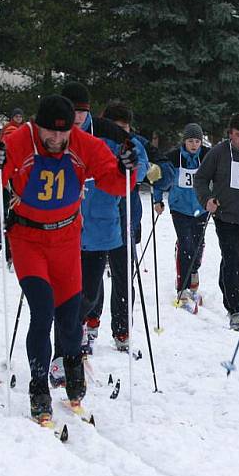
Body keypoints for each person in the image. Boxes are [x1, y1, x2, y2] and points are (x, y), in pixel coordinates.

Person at [0, 95, 138, 422]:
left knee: (69, 317)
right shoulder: (20, 140)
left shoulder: (83, 143)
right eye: (50, 133)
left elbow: (114, 182)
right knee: (43, 308)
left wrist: (125, 168)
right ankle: (38, 385)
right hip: (28, 238)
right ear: (38, 126)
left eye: (62, 135)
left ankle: (73, 365)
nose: (57, 140)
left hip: (66, 240)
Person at [54, 83, 147, 369]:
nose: (78, 118)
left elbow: (140, 161)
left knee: (90, 293)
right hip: (64, 224)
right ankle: (66, 343)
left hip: (101, 222)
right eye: (73, 112)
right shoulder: (54, 132)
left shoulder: (109, 132)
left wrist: (130, 167)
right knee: (67, 289)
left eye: (82, 112)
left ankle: (80, 326)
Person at [193, 113, 239, 329]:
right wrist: (206, 199)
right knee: (232, 262)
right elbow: (200, 178)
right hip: (227, 218)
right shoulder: (219, 153)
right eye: (238, 135)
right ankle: (234, 308)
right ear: (230, 135)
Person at [153, 123, 211, 312]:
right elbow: (159, 178)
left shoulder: (206, 156)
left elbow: (219, 175)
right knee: (186, 245)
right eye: (190, 141)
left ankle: (193, 273)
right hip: (180, 208)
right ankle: (182, 288)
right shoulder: (173, 157)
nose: (194, 145)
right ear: (184, 141)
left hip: (201, 208)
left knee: (198, 244)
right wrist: (157, 200)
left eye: (197, 141)